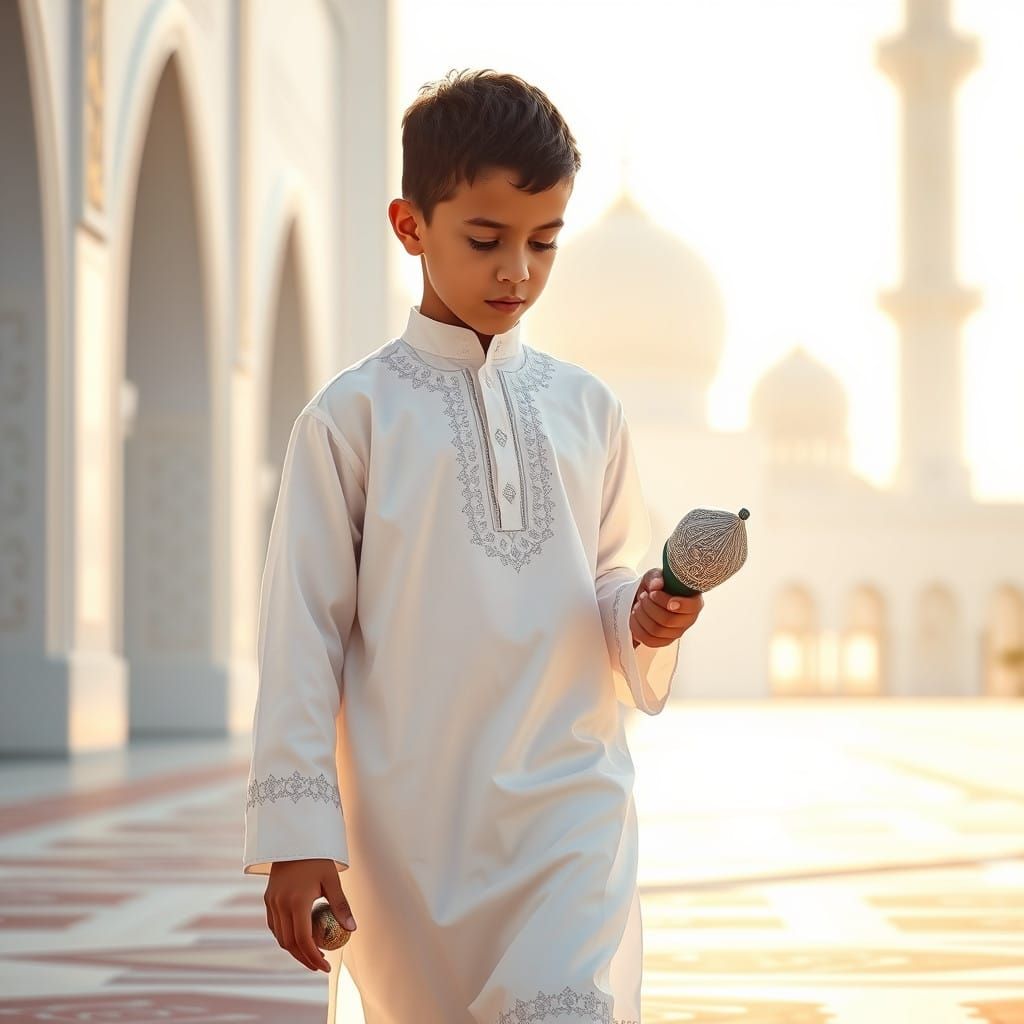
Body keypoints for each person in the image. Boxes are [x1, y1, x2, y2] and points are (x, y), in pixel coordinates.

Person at [242, 68, 704, 1024]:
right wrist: (298, 834)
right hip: (415, 833)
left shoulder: (587, 409)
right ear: (410, 226)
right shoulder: (352, 421)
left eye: (544, 243)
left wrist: (648, 614)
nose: (519, 273)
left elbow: (608, 578)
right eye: (486, 240)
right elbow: (303, 634)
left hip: (570, 806)